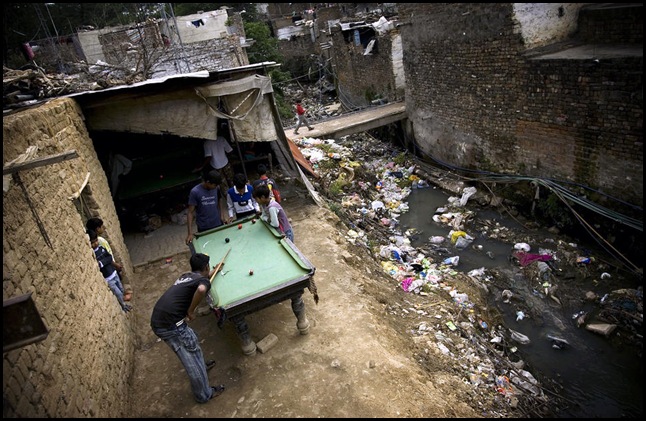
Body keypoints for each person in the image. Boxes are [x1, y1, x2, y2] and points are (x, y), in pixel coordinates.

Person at [150, 253, 225, 404]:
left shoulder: (187, 276)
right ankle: (204, 394)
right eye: (209, 268)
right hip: (170, 325)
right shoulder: (202, 281)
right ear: (205, 267)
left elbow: (201, 280)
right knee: (191, 357)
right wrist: (190, 311)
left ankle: (202, 366)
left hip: (160, 318)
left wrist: (214, 271)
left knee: (193, 345)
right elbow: (202, 288)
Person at [88, 229, 132, 312]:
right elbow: (105, 261)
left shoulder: (101, 249)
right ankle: (124, 306)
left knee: (121, 289)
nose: (95, 244)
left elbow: (109, 257)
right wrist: (105, 262)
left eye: (96, 241)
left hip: (114, 273)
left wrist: (101, 263)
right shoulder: (92, 254)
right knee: (118, 293)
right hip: (108, 278)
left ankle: (123, 301)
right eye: (92, 242)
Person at [186, 170, 225, 252]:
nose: (216, 186)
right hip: (204, 227)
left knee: (221, 247)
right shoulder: (195, 192)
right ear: (207, 182)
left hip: (218, 224)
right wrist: (190, 233)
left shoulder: (216, 188)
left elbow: (219, 200)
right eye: (214, 185)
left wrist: (222, 215)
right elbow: (190, 212)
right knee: (209, 250)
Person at [195, 121, 235, 195]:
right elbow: (230, 151)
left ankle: (229, 200)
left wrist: (202, 166)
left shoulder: (207, 143)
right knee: (232, 181)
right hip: (226, 163)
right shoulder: (221, 139)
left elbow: (209, 157)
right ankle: (236, 195)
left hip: (216, 166)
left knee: (223, 184)